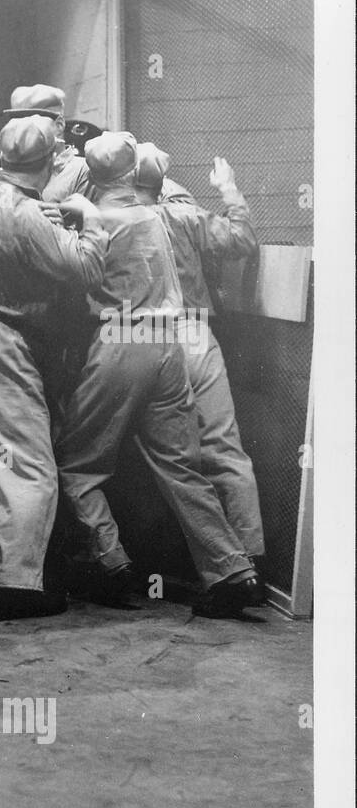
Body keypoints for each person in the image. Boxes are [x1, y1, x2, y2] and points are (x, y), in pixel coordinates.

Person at [54, 132, 261, 617]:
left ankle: (112, 561)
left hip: (123, 338)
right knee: (182, 467)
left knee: (76, 466)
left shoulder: (90, 213)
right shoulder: (162, 212)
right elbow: (236, 239)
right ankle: (234, 569)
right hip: (169, 343)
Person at [0, 115, 109, 620]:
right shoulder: (27, 215)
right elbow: (84, 271)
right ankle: (19, 588)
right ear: (53, 159)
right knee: (29, 470)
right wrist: (89, 220)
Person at [134, 143, 266, 569]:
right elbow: (242, 239)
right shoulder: (184, 215)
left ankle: (209, 566)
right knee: (223, 446)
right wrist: (228, 190)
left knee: (166, 458)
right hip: (194, 332)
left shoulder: (110, 218)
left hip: (139, 335)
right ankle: (250, 561)